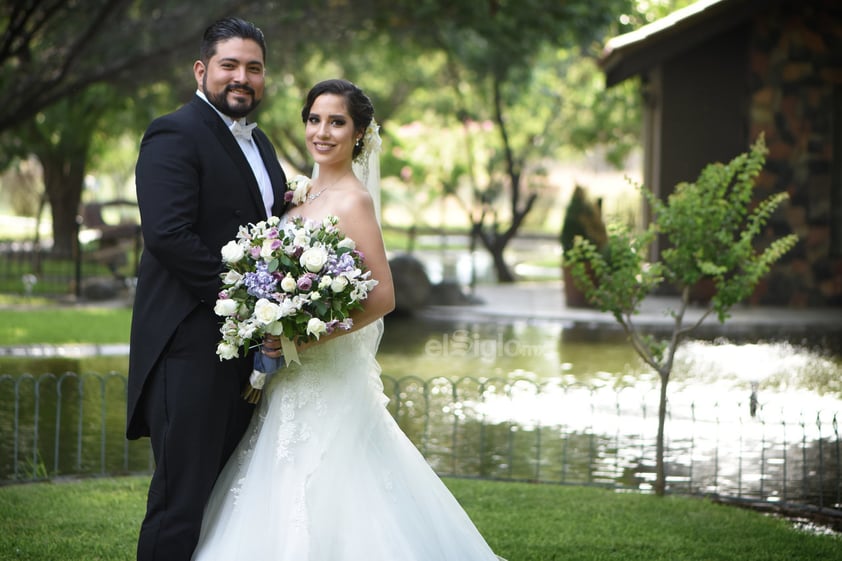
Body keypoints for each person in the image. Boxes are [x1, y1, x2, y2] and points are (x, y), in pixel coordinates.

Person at [191, 78, 506, 561]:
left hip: (329, 371)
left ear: (359, 133)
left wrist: (303, 338)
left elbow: (382, 296)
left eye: (337, 122)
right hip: (290, 378)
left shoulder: (354, 201)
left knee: (338, 483)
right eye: (315, 119)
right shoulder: (297, 195)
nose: (323, 131)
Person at [126, 17, 287, 561]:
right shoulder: (174, 131)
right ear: (202, 70)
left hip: (243, 352)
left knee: (228, 498)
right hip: (189, 347)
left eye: (254, 67)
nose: (242, 77)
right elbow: (169, 237)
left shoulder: (262, 145)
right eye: (230, 65)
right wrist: (252, 303)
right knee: (181, 502)